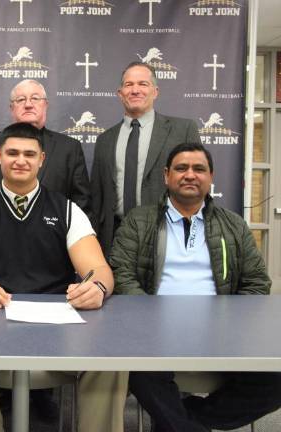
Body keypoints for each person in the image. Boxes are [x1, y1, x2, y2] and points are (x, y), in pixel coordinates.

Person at [0, 123, 127, 432]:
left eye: (29, 154)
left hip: (58, 325)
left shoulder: (67, 210)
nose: (20, 160)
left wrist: (98, 287)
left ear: (42, 159)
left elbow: (100, 269)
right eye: (12, 153)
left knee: (111, 362)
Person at [111, 142, 281, 432]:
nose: (190, 174)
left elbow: (256, 283)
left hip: (221, 332)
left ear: (211, 176)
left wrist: (229, 321)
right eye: (181, 168)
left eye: (199, 169)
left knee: (276, 378)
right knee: (138, 368)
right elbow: (122, 274)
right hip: (154, 332)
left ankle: (187, 418)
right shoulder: (138, 221)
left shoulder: (234, 225)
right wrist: (152, 320)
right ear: (167, 176)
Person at [91, 61, 200, 254]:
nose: (135, 90)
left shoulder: (183, 130)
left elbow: (197, 186)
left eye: (143, 84)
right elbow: (97, 199)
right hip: (116, 240)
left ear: (155, 91)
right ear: (120, 93)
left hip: (168, 237)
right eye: (129, 85)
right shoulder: (104, 140)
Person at [0, 79, 91, 217]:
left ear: (45, 105)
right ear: (11, 108)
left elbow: (82, 205)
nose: (28, 104)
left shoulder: (69, 148)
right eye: (20, 100)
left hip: (54, 235)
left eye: (35, 98)